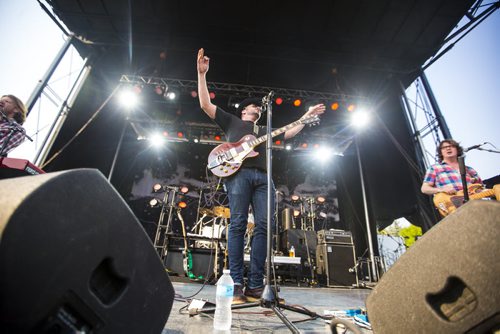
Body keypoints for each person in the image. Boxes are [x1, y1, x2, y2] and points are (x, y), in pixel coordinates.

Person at [197, 48, 325, 303]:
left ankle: (256, 285)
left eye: (258, 105)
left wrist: (304, 118)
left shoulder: (264, 129)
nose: (257, 107)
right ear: (245, 110)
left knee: (265, 227)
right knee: (238, 225)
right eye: (254, 105)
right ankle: (236, 286)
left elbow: (288, 133)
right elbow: (205, 104)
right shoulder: (234, 122)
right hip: (239, 176)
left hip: (264, 179)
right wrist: (202, 75)